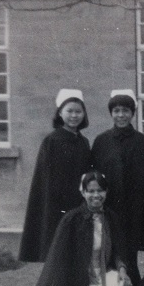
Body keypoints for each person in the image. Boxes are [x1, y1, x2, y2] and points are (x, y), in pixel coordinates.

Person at [17, 171, 133, 286]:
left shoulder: (110, 217)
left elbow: (118, 250)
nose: (96, 195)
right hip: (81, 280)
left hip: (104, 275)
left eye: (100, 190)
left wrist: (122, 270)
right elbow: (62, 260)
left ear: (106, 192)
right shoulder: (72, 219)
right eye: (91, 191)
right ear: (83, 193)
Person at [18, 88, 93, 262]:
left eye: (78, 111)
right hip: (56, 205)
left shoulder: (83, 142)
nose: (74, 115)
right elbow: (46, 180)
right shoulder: (52, 141)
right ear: (60, 113)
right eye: (69, 111)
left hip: (79, 203)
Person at [90, 89, 144, 286]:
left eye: (125, 110)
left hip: (134, 206)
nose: (121, 115)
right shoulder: (101, 141)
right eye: (116, 111)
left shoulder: (142, 142)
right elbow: (95, 175)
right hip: (110, 207)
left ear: (132, 113)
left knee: (129, 251)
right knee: (109, 249)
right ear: (111, 114)